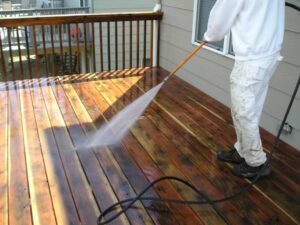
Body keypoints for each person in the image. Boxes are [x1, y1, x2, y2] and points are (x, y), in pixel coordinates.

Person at [203, 0, 285, 178]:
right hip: (268, 54)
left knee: (243, 111)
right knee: (250, 107)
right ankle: (242, 150)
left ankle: (256, 162)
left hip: (252, 57)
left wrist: (208, 36)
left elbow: (219, 23)